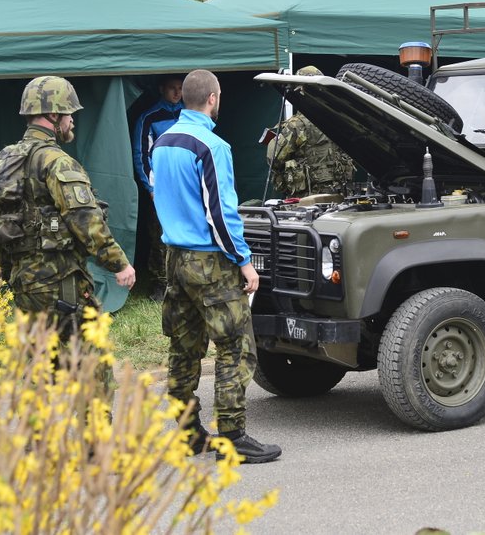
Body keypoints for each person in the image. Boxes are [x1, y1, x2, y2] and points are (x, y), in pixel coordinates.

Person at [151, 69, 280, 463]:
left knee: (185, 346)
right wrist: (243, 261)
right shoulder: (212, 145)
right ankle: (232, 437)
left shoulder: (162, 142)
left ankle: (188, 432)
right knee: (235, 346)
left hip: (173, 256)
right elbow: (221, 214)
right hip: (208, 260)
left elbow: (160, 194)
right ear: (213, 98)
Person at [0, 76, 135, 342]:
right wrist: (119, 264)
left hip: (24, 282)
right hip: (60, 282)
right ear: (54, 114)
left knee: (40, 363)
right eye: (68, 114)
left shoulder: (5, 159)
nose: (72, 120)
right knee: (90, 366)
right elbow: (85, 218)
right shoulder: (57, 162)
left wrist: (9, 271)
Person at [131, 75, 184, 301]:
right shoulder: (149, 118)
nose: (177, 93)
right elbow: (141, 155)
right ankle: (159, 284)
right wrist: (150, 187)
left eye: (181, 88)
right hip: (161, 189)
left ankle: (183, 280)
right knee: (159, 236)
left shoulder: (190, 116)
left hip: (186, 187)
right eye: (172, 88)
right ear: (161, 89)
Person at [267, 66, 354, 198]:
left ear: (299, 90)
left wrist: (274, 140)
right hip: (340, 196)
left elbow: (273, 159)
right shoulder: (338, 120)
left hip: (308, 200)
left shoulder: (296, 125)